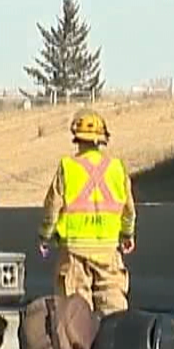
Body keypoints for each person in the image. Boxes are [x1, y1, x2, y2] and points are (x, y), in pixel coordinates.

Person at [36, 108, 136, 316]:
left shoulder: (67, 167)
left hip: (75, 256)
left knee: (76, 321)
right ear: (102, 139)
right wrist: (127, 235)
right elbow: (128, 211)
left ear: (77, 138)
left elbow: (52, 207)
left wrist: (45, 236)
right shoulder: (117, 168)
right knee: (115, 317)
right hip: (108, 254)